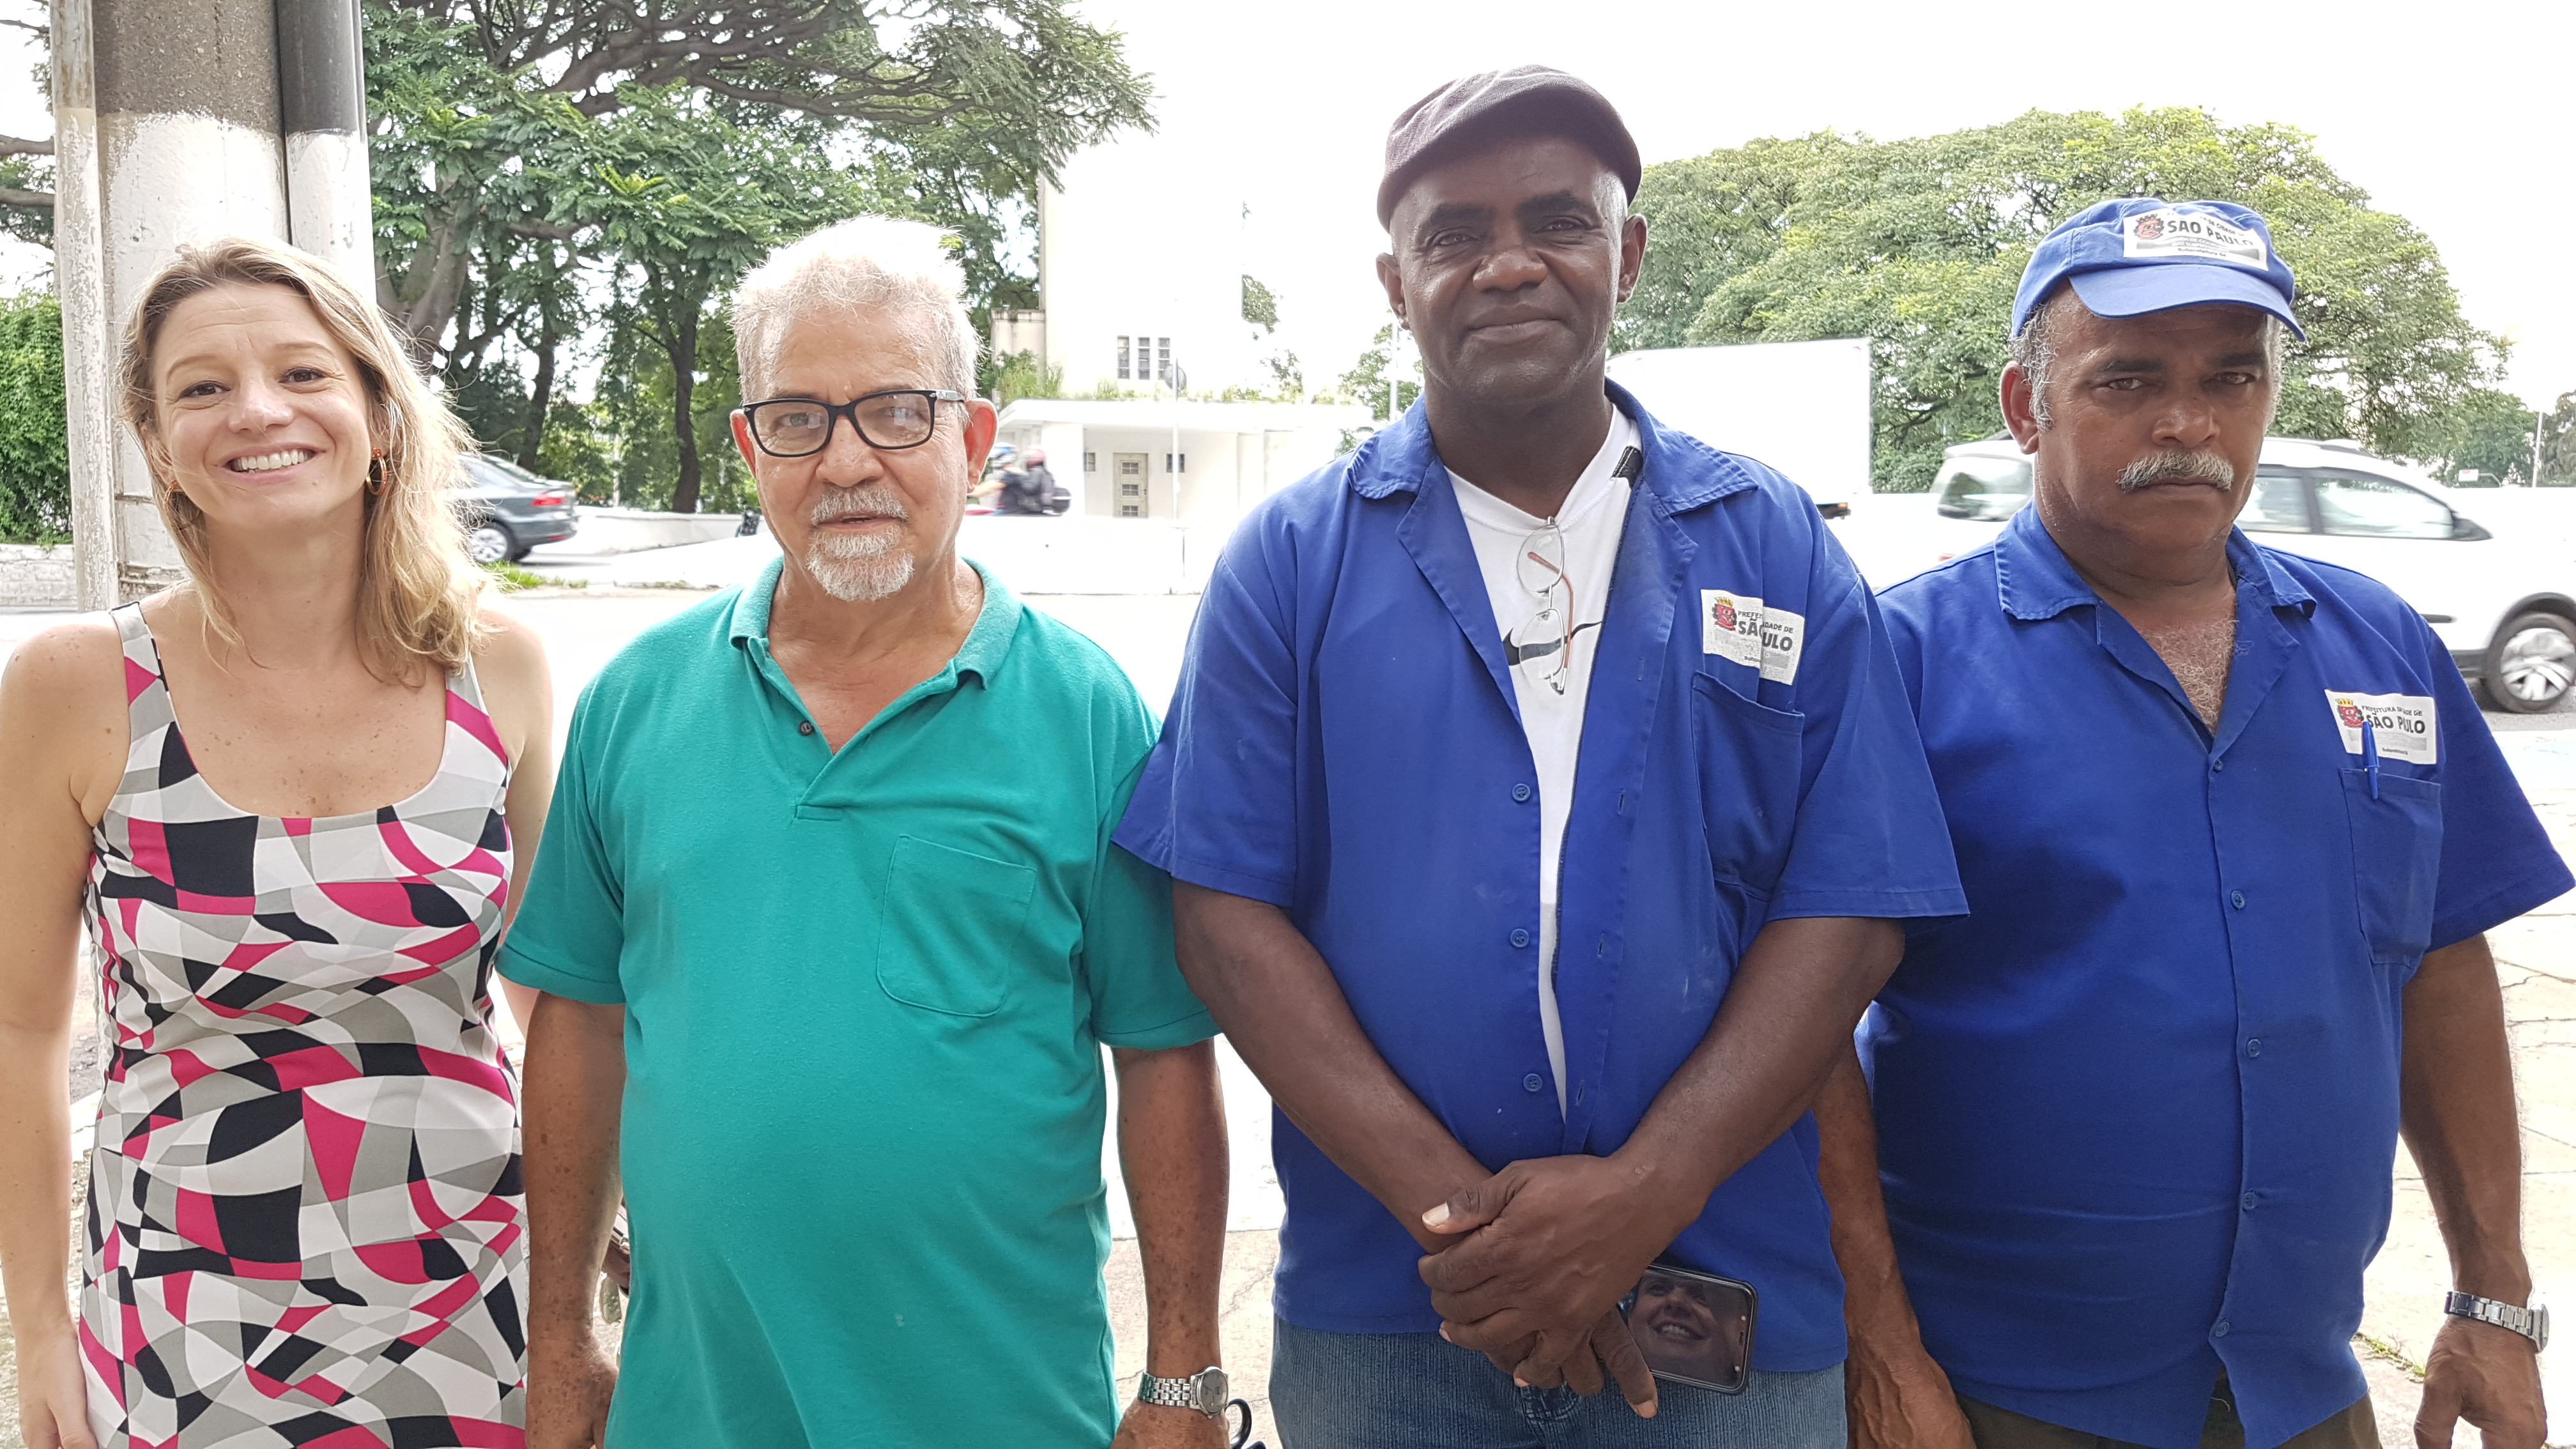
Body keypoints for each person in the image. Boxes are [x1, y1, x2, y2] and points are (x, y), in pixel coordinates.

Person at [1113, 67, 1965, 1448]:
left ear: (1625, 253)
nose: (1508, 264)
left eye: (1556, 220)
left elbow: (1851, 905)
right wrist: (1469, 1228)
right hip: (1399, 1312)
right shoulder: (1292, 560)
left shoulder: (1777, 548)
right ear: (1395, 282)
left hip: (1722, 1299)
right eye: (1454, 234)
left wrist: (1646, 1192)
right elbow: (1221, 911)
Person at [1822, 198, 2573, 1449]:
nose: (2189, 423)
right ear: (2027, 406)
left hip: (2303, 1388)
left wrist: (2493, 1295)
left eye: (2232, 377)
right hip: (1997, 1397)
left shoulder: (2378, 645)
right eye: (2129, 379)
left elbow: (2440, 967)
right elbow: (1805, 1040)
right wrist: (1882, 1350)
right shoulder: (1899, 668)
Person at [502, 215, 1232, 1449]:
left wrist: (1182, 1382)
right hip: (698, 1411)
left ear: (974, 436)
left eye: (897, 411)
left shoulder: (1086, 711)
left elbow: (1162, 1055)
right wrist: (563, 1341)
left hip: (999, 1410)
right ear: (749, 447)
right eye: (798, 418)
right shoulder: (637, 701)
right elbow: (577, 1028)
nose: (846, 462)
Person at [0, 236, 555, 1449]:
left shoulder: (497, 669)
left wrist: (588, 1296)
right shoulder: (78, 686)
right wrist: (42, 1332)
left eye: (303, 374)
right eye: (202, 387)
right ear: (159, 444)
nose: (257, 411)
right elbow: (22, 1029)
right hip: (187, 1315)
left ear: (378, 412)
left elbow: (557, 1010)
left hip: (469, 1298)